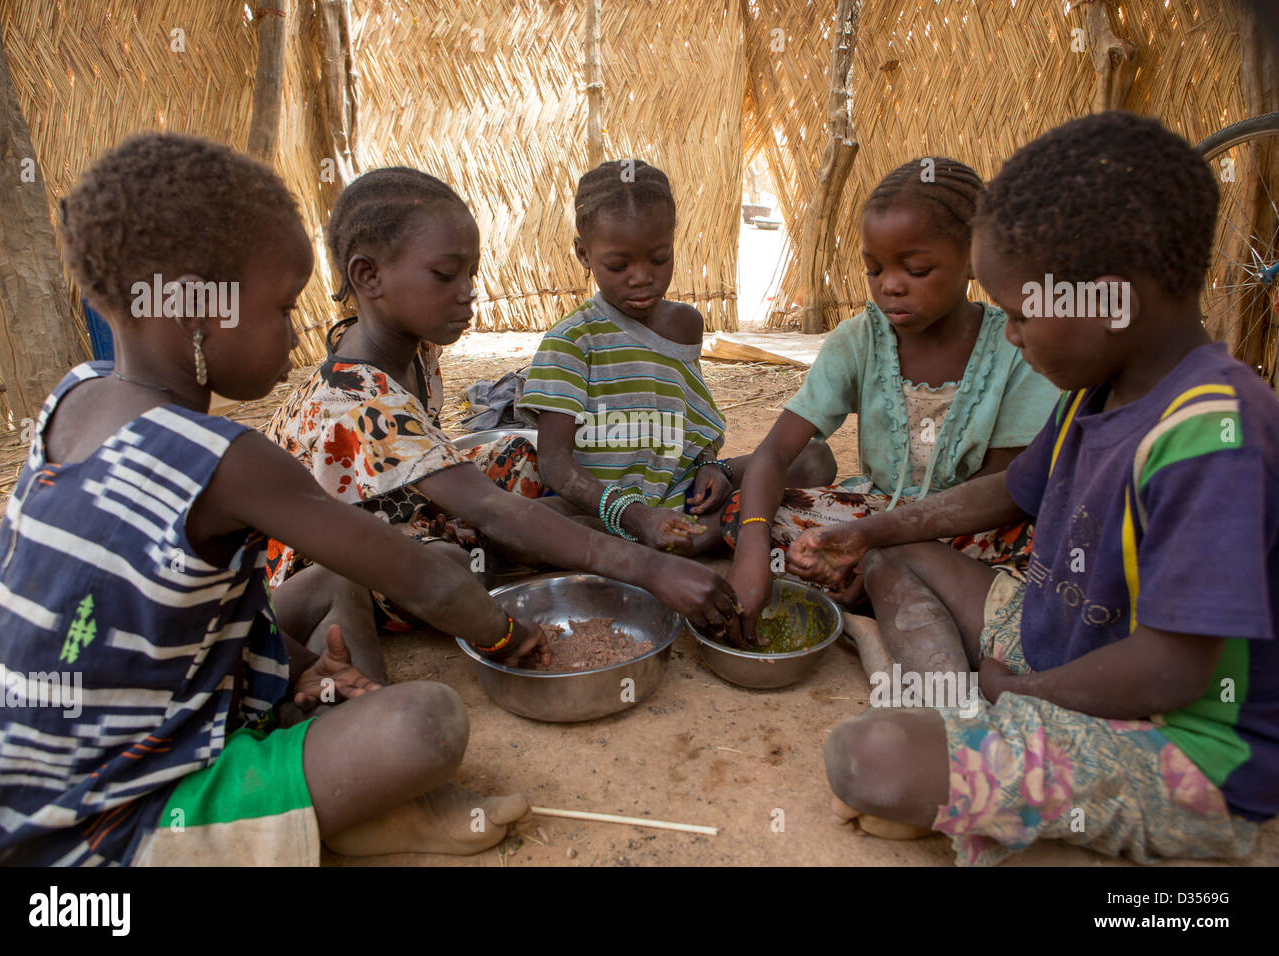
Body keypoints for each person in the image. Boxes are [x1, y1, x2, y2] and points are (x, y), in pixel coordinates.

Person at [0, 134, 547, 866]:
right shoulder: (226, 461)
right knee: (424, 724)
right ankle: (321, 817)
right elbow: (426, 577)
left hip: (19, 779)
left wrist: (303, 666)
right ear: (195, 316)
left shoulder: (74, 397)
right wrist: (509, 638)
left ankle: (324, 803)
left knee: (317, 586)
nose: (294, 334)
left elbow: (165, 611)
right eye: (280, 308)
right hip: (100, 830)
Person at [795, 112, 1278, 865]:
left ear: (1114, 299)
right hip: (1062, 637)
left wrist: (1019, 697)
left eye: (1022, 313)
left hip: (1184, 747)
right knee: (898, 560)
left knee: (871, 758)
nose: (1011, 335)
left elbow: (1172, 669)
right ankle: (959, 729)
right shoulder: (1100, 390)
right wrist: (874, 531)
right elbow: (1006, 496)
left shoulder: (1214, 437)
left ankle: (961, 736)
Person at [264, 166, 739, 642]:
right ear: (368, 276)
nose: (468, 292)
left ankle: (539, 541)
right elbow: (490, 508)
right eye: (445, 275)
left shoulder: (406, 347)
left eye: (470, 273)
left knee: (522, 457)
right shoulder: (358, 399)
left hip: (393, 506)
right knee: (456, 562)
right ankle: (533, 547)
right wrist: (651, 569)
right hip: (320, 559)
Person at [727, 157, 1058, 645]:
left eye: (916, 268)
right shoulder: (858, 341)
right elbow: (775, 453)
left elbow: (1006, 487)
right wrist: (752, 551)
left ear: (973, 257)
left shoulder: (1015, 347)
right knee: (746, 509)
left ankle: (881, 576)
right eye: (873, 269)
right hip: (879, 514)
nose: (890, 285)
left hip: (973, 527)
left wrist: (880, 539)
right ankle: (875, 577)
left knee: (1041, 545)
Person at [520, 159, 836, 554]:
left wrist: (712, 466)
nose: (641, 277)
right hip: (604, 511)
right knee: (534, 522)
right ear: (584, 254)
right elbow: (554, 463)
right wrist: (635, 515)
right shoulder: (571, 341)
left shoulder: (684, 326)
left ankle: (690, 534)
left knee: (813, 458)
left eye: (659, 258)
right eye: (619, 265)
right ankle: (703, 535)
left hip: (680, 497)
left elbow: (691, 419)